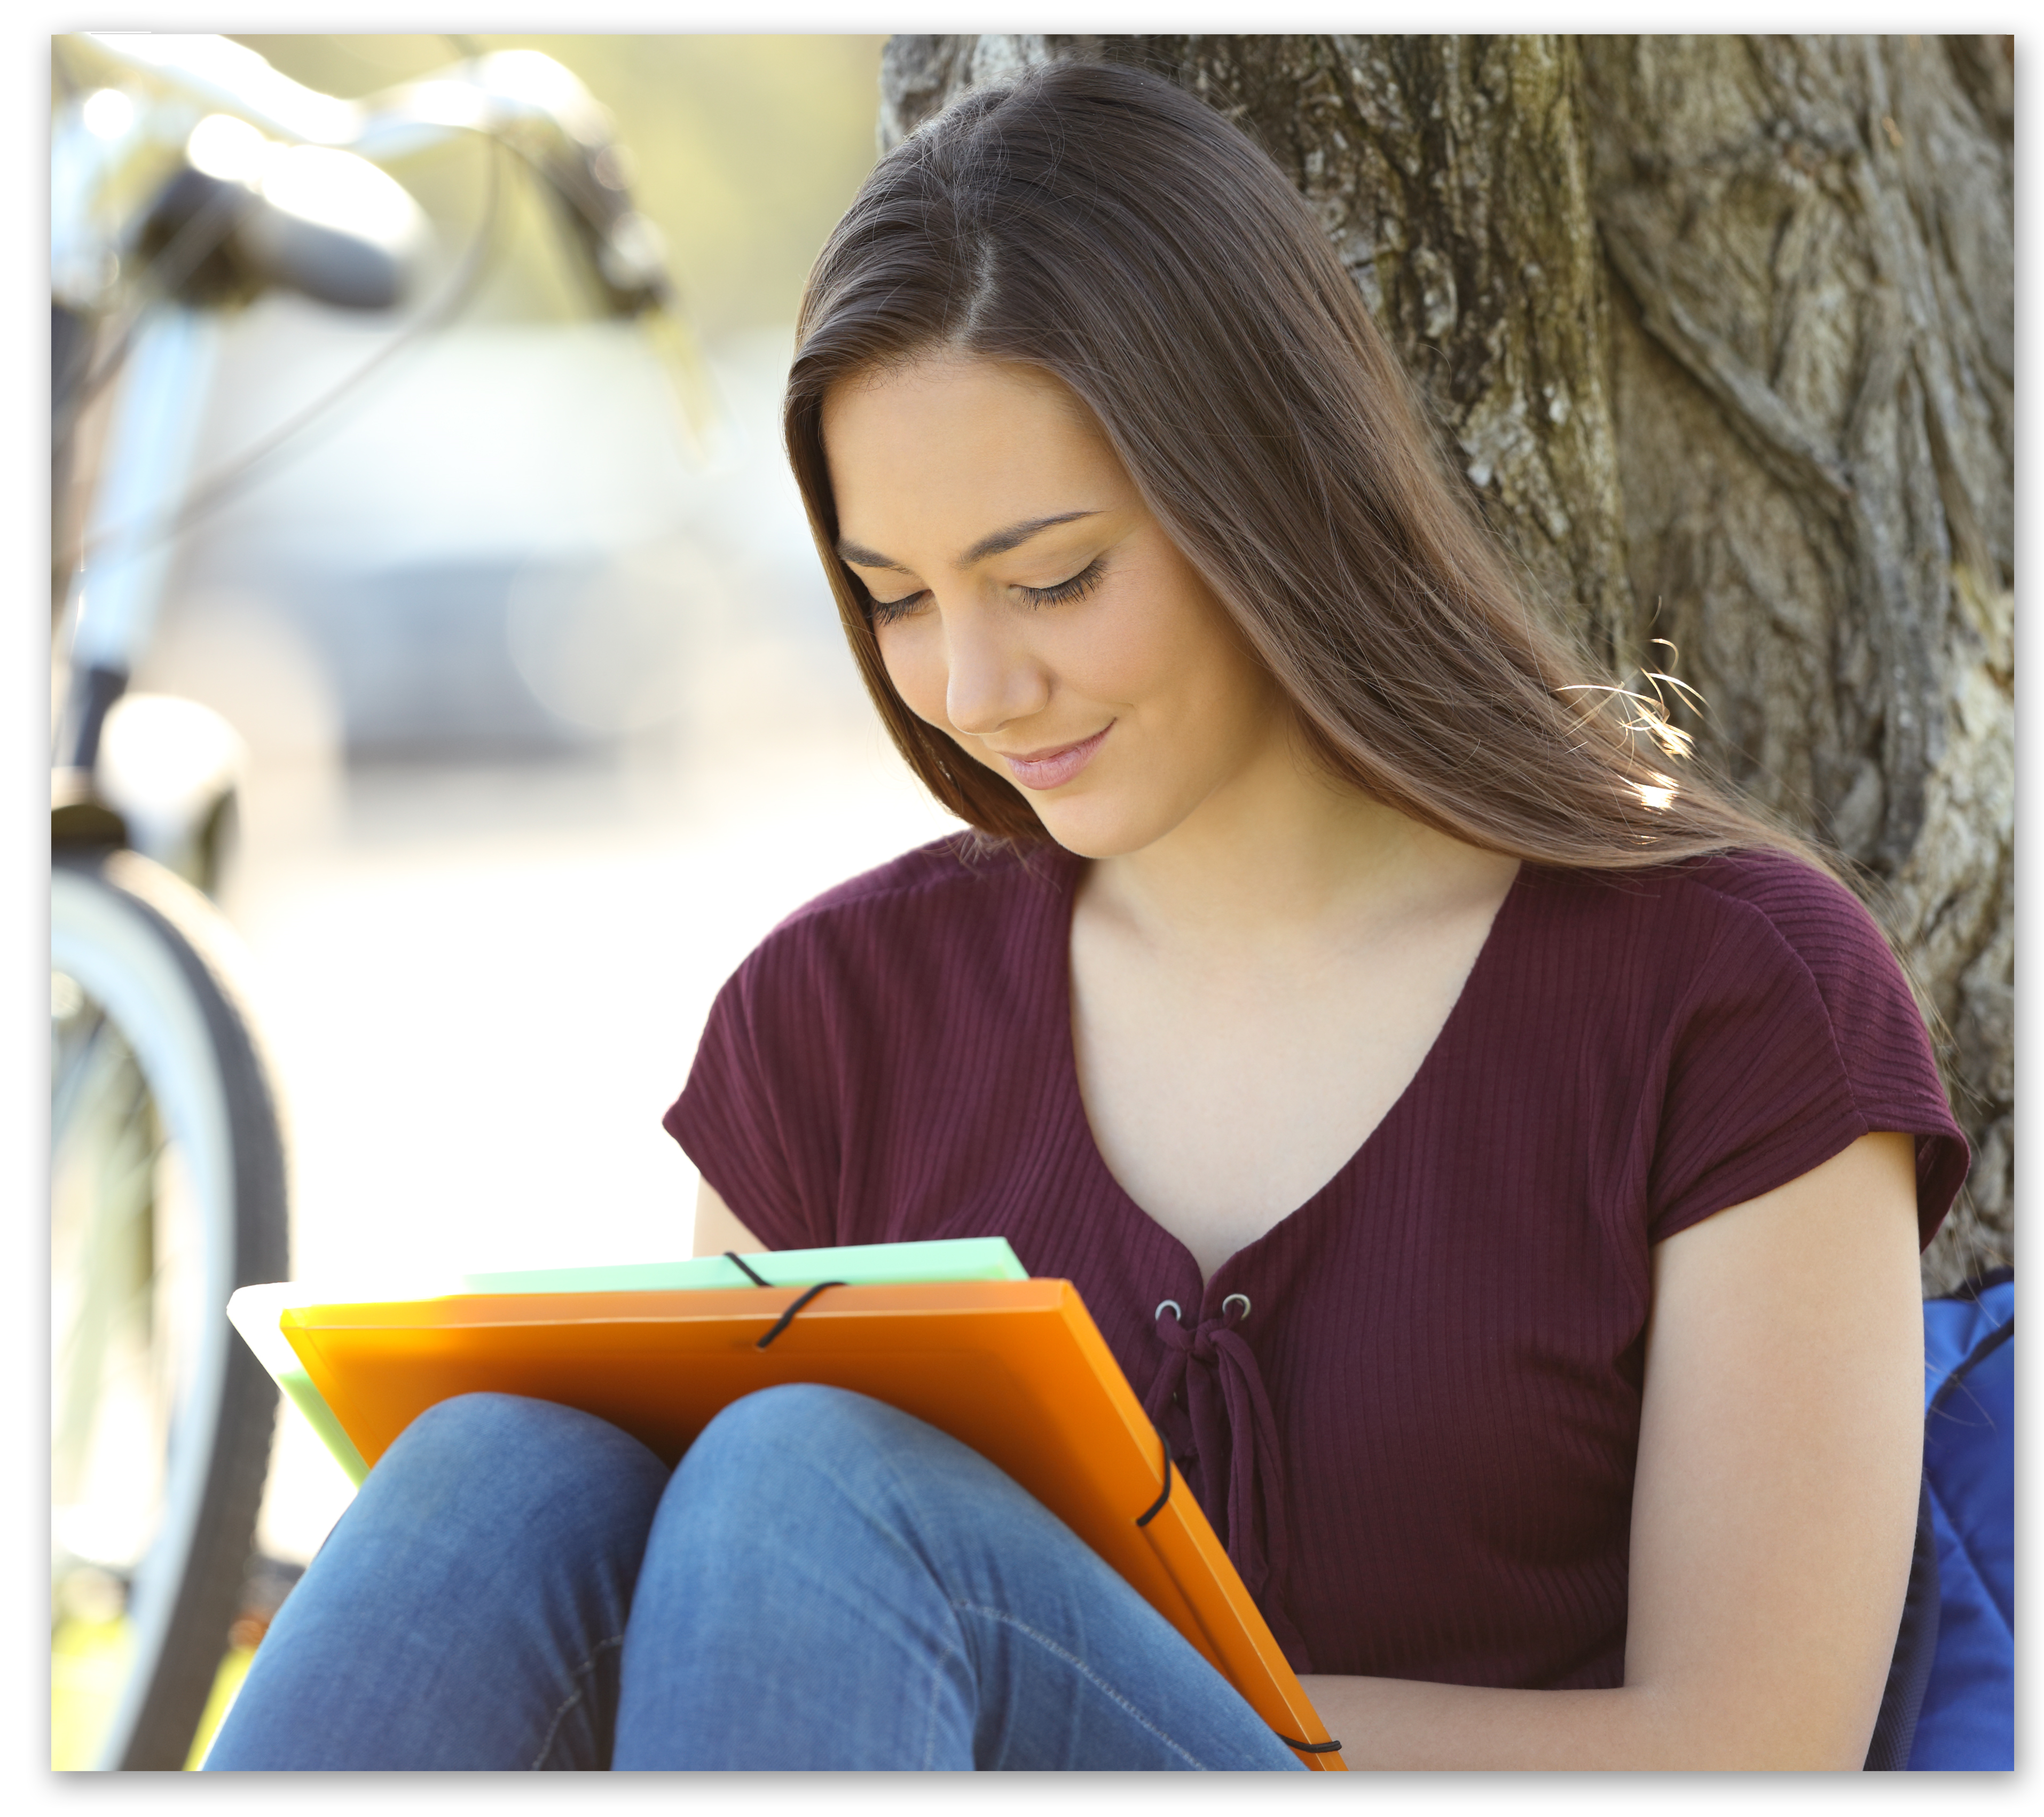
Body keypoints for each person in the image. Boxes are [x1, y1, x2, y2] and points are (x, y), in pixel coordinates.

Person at [209, 61, 1966, 1771]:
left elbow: (1750, 1743)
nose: (973, 685)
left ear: (1268, 493)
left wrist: (998, 1642)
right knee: (497, 1467)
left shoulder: (1736, 993)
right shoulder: (832, 1022)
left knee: (813, 1482)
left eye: (1052, 577)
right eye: (892, 597)